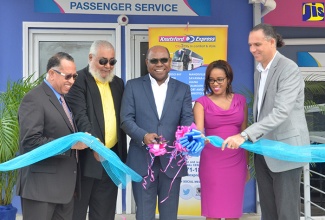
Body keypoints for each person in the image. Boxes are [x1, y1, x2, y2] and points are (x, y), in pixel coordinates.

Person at [222, 23, 309, 220]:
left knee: (287, 214)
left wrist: (244, 134)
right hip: (264, 150)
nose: (252, 50)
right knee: (268, 213)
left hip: (285, 151)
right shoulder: (259, 71)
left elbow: (281, 112)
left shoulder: (288, 69)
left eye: (257, 44)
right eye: (250, 45)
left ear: (272, 42)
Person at [120, 45, 193, 220]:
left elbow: (187, 120)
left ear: (170, 62)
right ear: (147, 63)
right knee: (144, 215)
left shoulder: (182, 89)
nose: (159, 64)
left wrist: (185, 137)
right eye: (154, 60)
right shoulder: (133, 86)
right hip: (142, 161)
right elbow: (126, 119)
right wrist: (143, 137)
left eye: (163, 60)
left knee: (169, 215)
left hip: (172, 162)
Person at [17, 52, 88, 220]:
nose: (72, 81)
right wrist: (70, 144)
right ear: (51, 74)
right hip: (41, 191)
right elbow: (30, 141)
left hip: (64, 191)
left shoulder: (63, 100)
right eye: (67, 76)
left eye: (74, 76)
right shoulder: (34, 99)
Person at [66, 40, 127, 220]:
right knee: (76, 213)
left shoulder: (118, 83)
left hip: (111, 159)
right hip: (86, 159)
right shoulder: (78, 80)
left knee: (105, 214)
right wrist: (94, 146)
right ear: (91, 58)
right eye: (103, 61)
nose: (107, 66)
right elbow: (80, 116)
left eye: (112, 61)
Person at [193, 60, 248, 220]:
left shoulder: (241, 101)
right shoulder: (201, 103)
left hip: (237, 162)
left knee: (233, 213)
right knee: (213, 213)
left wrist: (246, 165)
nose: (215, 84)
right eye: (211, 80)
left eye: (219, 79)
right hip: (212, 163)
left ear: (228, 79)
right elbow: (199, 131)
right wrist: (199, 138)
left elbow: (244, 134)